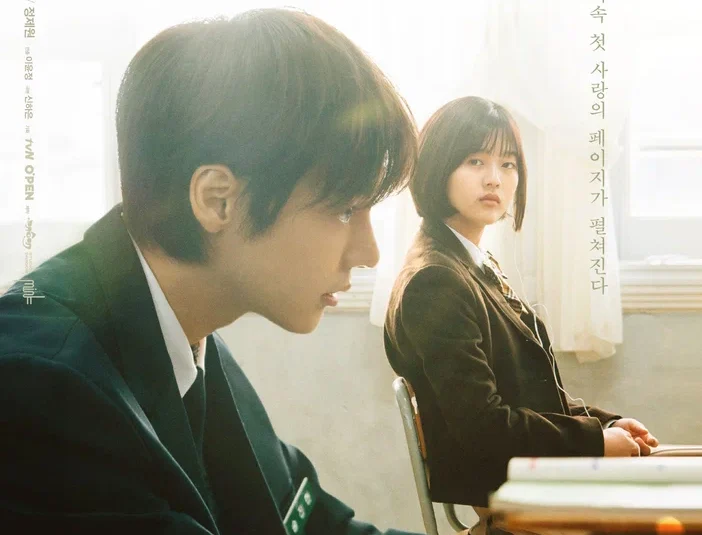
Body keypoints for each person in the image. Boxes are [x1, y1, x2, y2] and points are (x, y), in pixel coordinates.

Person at [0, 9, 423, 534]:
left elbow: (310, 524)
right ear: (217, 200)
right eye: (343, 210)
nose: (370, 253)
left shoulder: (191, 336)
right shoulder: (42, 387)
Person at [383, 96, 658, 527]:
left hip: (531, 482)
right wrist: (595, 442)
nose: (494, 178)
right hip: (513, 495)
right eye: (475, 161)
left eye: (508, 164)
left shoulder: (466, 262)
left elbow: (529, 396)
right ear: (438, 166)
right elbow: (484, 426)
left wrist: (608, 424)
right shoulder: (435, 281)